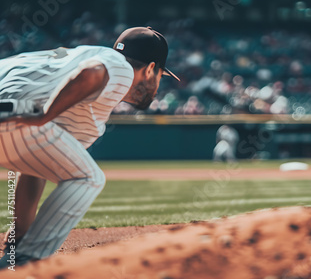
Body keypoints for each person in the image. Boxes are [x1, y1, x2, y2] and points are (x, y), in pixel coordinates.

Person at [0, 26, 179, 268]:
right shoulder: (121, 68)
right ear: (149, 69)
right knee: (88, 178)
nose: (157, 88)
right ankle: (29, 259)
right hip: (14, 115)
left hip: (12, 113)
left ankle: (16, 251)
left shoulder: (81, 61)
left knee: (38, 166)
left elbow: (35, 167)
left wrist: (16, 239)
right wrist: (44, 117)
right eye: (159, 76)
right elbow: (92, 73)